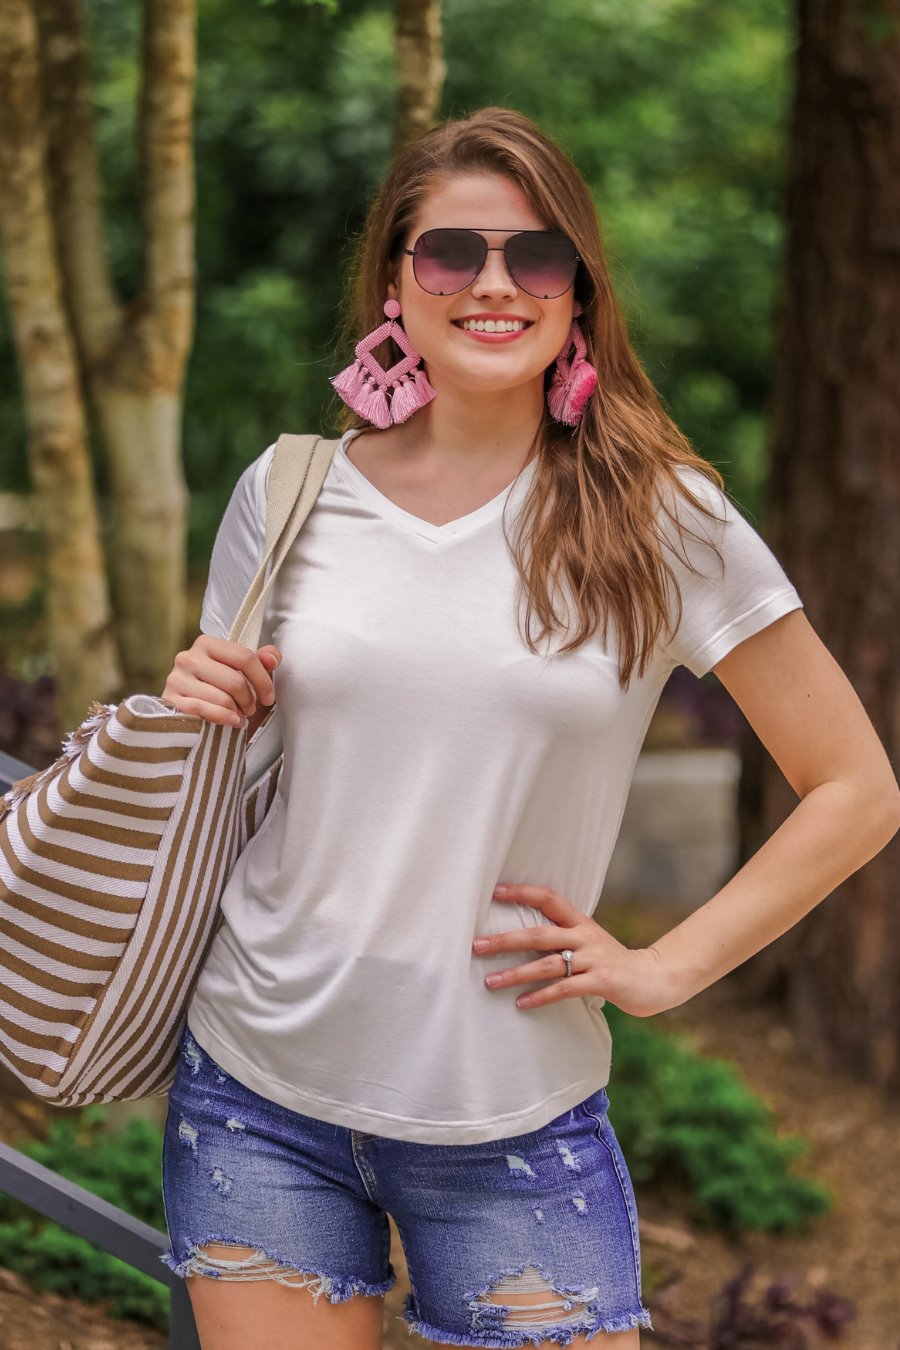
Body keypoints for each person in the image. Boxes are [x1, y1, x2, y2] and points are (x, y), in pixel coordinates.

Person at [158, 107, 899, 1350]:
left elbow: (856, 786)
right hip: (257, 1093)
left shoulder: (663, 515)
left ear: (578, 293)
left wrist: (667, 971)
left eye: (535, 256)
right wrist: (198, 698)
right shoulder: (289, 493)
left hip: (512, 1116)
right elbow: (245, 776)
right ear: (398, 281)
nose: (494, 285)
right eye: (452, 253)